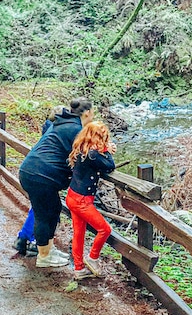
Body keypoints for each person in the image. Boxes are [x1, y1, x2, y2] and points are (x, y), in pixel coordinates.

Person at [19, 98, 94, 268]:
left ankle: (47, 249)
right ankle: (44, 257)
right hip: (40, 175)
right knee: (44, 215)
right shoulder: (76, 129)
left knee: (52, 211)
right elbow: (87, 156)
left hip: (33, 171)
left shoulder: (63, 123)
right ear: (88, 113)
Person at [66, 121, 116, 280]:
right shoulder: (93, 154)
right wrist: (107, 151)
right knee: (105, 229)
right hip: (82, 201)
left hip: (72, 196)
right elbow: (109, 165)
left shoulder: (82, 148)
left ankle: (79, 268)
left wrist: (105, 149)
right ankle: (92, 258)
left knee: (79, 233)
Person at [14, 106, 65, 257]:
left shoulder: (48, 127)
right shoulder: (56, 130)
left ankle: (23, 238)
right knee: (42, 211)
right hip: (45, 175)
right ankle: (36, 244)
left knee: (37, 208)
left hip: (37, 172)